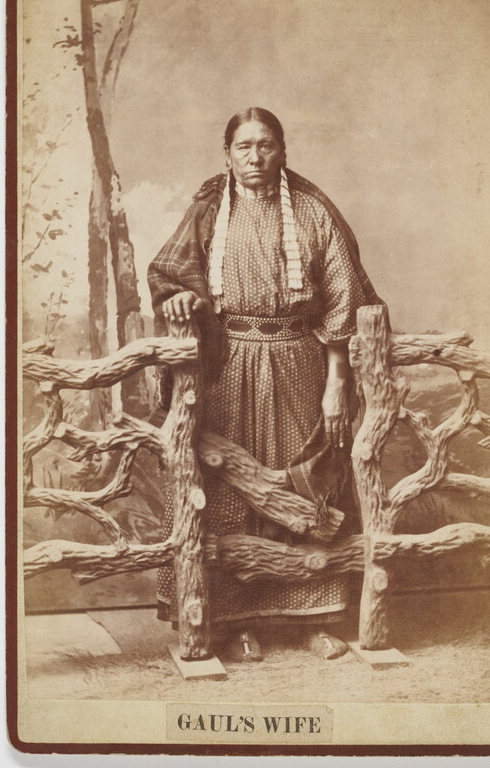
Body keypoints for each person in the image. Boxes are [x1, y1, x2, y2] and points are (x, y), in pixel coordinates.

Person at [148, 107, 385, 661]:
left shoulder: (312, 211)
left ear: (283, 149)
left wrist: (336, 383)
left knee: (308, 478)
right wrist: (180, 297)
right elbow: (170, 275)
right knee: (228, 485)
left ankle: (316, 616)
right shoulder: (208, 212)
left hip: (301, 362)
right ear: (226, 153)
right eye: (244, 147)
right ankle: (235, 622)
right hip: (228, 363)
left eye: (267, 145)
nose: (255, 157)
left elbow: (345, 300)